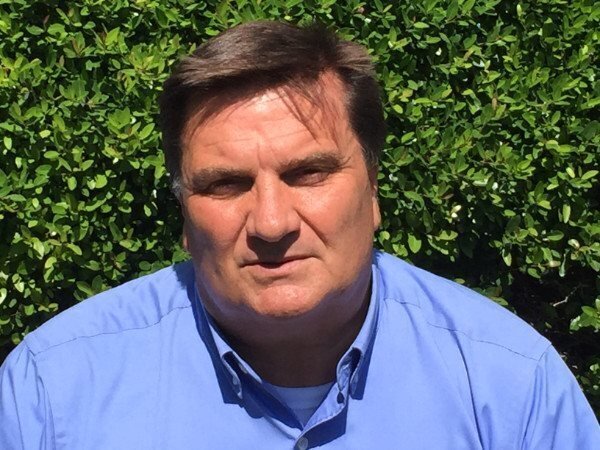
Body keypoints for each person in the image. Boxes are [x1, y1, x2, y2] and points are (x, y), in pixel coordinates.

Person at [1, 20, 598, 450]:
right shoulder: (50, 396)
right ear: (184, 215)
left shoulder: (511, 388)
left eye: (308, 173)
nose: (271, 223)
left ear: (373, 190)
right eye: (226, 184)